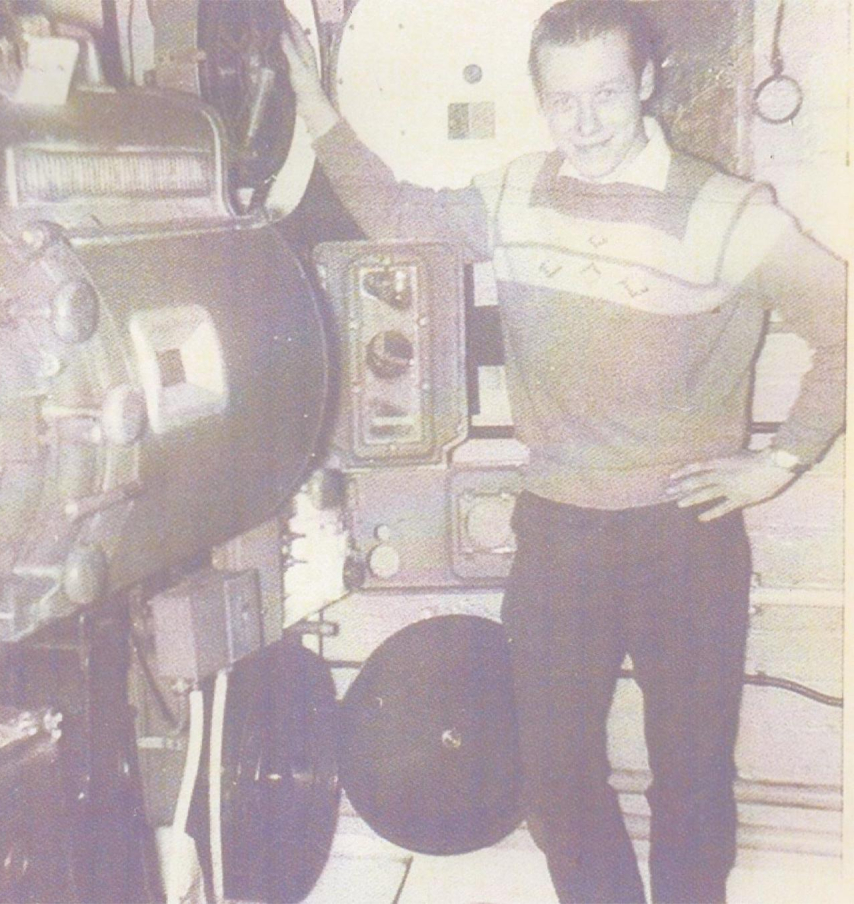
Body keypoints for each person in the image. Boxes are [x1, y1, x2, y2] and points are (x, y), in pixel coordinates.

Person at [279, 1, 846, 902]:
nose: (584, 125)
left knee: (692, 779)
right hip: (559, 535)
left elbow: (844, 320)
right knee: (552, 776)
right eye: (563, 101)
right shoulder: (513, 194)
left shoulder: (722, 211)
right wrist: (316, 112)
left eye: (607, 95)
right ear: (541, 99)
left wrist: (780, 462)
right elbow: (395, 210)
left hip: (684, 536)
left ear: (647, 83)